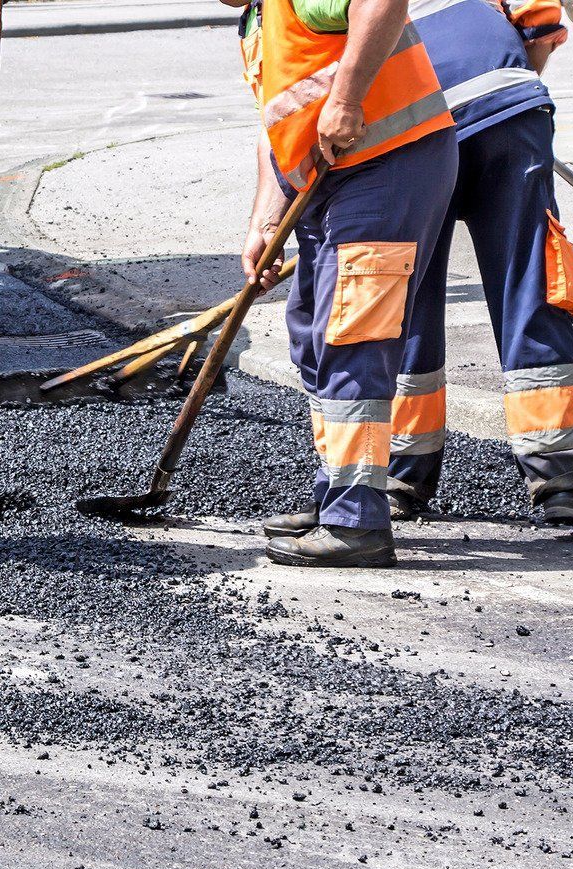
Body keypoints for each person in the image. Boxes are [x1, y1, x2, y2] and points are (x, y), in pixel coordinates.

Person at [231, 0, 460, 567]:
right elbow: (276, 128)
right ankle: (337, 490)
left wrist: (348, 98)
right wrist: (264, 222)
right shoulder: (258, 23)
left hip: (389, 164)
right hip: (330, 181)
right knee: (310, 330)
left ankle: (357, 521)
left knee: (353, 336)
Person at [386, 0, 573, 524]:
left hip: (406, 122)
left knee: (407, 291)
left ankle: (400, 475)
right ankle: (562, 480)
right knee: (527, 279)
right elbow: (540, 27)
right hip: (505, 109)